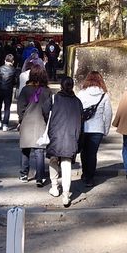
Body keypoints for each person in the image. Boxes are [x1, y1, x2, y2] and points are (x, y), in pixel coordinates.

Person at [46, 76, 83, 207]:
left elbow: (46, 113)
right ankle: (66, 194)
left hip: (55, 135)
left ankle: (55, 187)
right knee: (66, 164)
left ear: (61, 86)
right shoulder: (77, 102)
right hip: (71, 137)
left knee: (53, 160)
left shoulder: (54, 98)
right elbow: (81, 122)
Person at [16, 65, 52, 186]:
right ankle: (40, 177)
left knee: (25, 149)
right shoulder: (47, 91)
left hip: (26, 122)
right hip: (41, 122)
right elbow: (48, 109)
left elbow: (20, 107)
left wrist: (21, 120)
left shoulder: (26, 90)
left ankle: (24, 174)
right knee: (39, 150)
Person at [76, 71, 113, 185]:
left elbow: (76, 111)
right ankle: (90, 177)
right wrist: (106, 129)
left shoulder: (81, 94)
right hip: (97, 129)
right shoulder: (104, 95)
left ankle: (84, 173)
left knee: (84, 152)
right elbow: (108, 114)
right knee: (92, 154)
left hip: (84, 128)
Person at [0, 53, 17, 130]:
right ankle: (5, 124)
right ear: (12, 61)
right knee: (7, 108)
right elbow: (15, 81)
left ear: (5, 60)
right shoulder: (13, 70)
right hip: (8, 90)